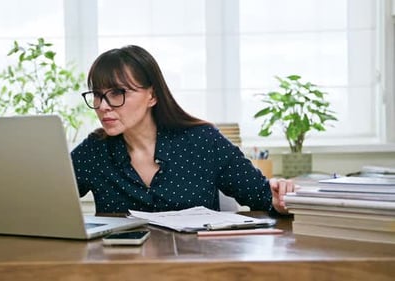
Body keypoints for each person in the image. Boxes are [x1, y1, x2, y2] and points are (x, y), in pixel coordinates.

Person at [71, 45, 295, 215]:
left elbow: (261, 195)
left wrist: (279, 198)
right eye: (98, 95)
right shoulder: (93, 151)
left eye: (117, 93)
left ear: (152, 96)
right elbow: (47, 202)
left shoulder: (202, 141)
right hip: (119, 270)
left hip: (195, 269)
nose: (102, 106)